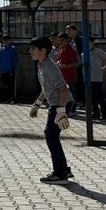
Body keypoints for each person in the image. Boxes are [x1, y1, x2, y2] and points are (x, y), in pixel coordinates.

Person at [28, 36, 73, 185]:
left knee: (51, 135)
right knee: (52, 136)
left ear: (43, 51)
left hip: (61, 103)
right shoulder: (41, 65)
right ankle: (63, 170)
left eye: (33, 49)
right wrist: (37, 104)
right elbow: (46, 88)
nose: (30, 51)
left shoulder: (49, 66)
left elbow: (64, 89)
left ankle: (60, 174)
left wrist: (61, 111)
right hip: (56, 103)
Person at [87, 36, 106, 121]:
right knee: (92, 98)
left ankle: (105, 115)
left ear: (93, 43)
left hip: (97, 78)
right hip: (88, 79)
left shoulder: (98, 52)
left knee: (100, 97)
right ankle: (96, 113)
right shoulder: (84, 53)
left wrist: (105, 67)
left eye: (88, 42)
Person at [54, 33, 78, 114]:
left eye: (62, 40)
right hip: (62, 76)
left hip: (70, 76)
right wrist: (58, 63)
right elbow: (59, 60)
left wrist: (64, 66)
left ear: (67, 40)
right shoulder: (61, 49)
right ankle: (66, 109)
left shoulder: (71, 50)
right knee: (64, 94)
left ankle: (73, 109)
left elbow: (75, 63)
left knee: (71, 94)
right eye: (59, 41)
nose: (60, 42)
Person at [66, 25, 85, 110]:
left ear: (75, 31)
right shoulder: (68, 41)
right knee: (72, 84)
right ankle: (74, 101)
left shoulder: (80, 40)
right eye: (67, 30)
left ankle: (83, 101)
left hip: (79, 64)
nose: (68, 32)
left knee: (81, 83)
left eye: (69, 30)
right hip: (71, 65)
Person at [0, 35, 18, 104]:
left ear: (9, 41)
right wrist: (0, 66)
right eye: (4, 40)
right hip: (3, 70)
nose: (6, 42)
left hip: (11, 70)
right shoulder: (2, 49)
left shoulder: (13, 49)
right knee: (5, 84)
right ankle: (8, 98)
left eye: (7, 40)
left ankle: (13, 99)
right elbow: (0, 58)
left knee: (11, 85)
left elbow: (15, 59)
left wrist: (13, 68)